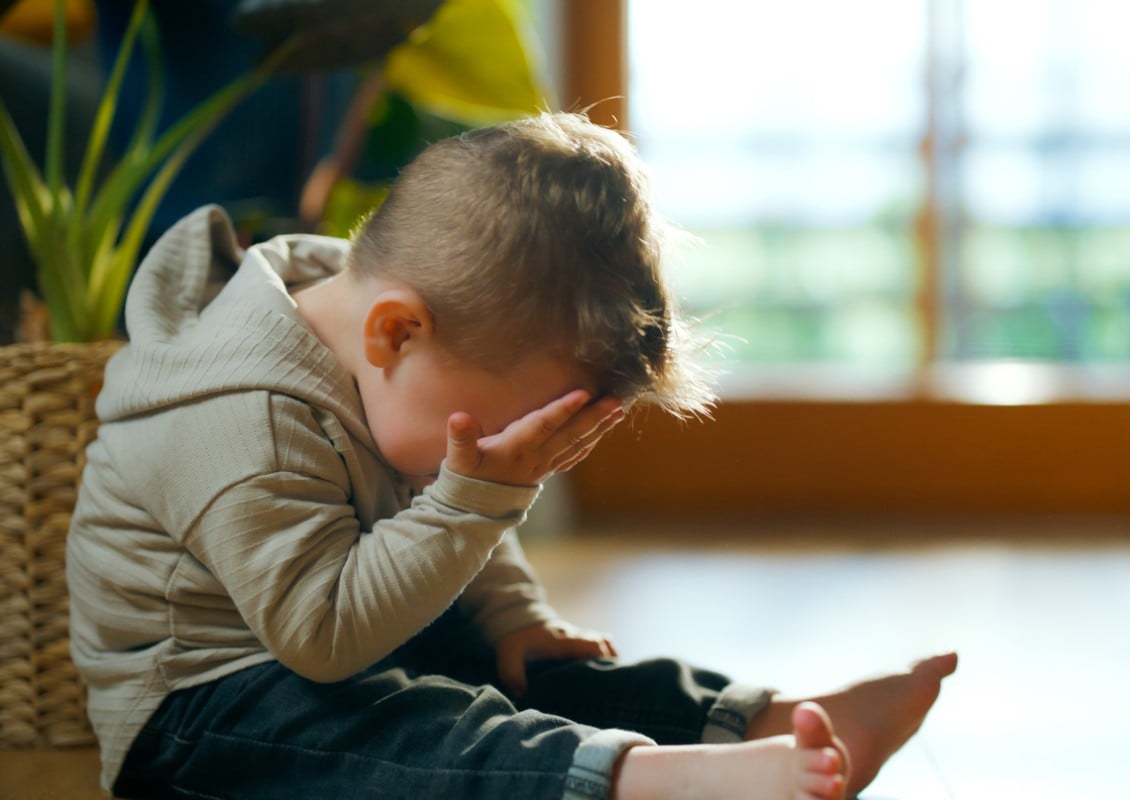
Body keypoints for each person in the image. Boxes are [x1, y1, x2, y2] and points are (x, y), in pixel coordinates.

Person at [66, 112, 957, 800]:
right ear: (397, 331)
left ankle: (753, 722)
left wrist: (515, 614)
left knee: (523, 668)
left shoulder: (389, 348)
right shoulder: (243, 416)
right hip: (205, 709)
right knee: (419, 732)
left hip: (339, 627)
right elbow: (324, 637)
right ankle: (649, 782)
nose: (504, 463)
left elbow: (438, 510)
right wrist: (475, 494)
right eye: (501, 440)